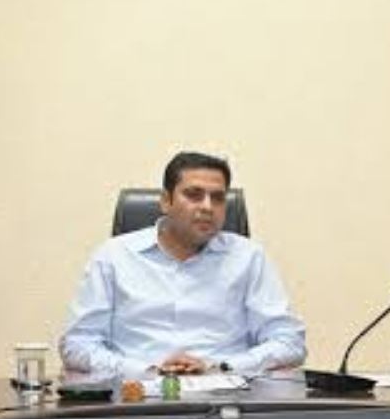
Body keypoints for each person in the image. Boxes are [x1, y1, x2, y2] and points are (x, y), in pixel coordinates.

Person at [60, 152, 306, 376]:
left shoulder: (249, 257)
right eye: (194, 195)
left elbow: (289, 342)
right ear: (166, 201)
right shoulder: (113, 256)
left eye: (218, 198)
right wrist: (147, 370)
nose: (207, 207)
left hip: (225, 395)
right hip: (135, 393)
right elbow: (77, 344)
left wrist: (220, 367)